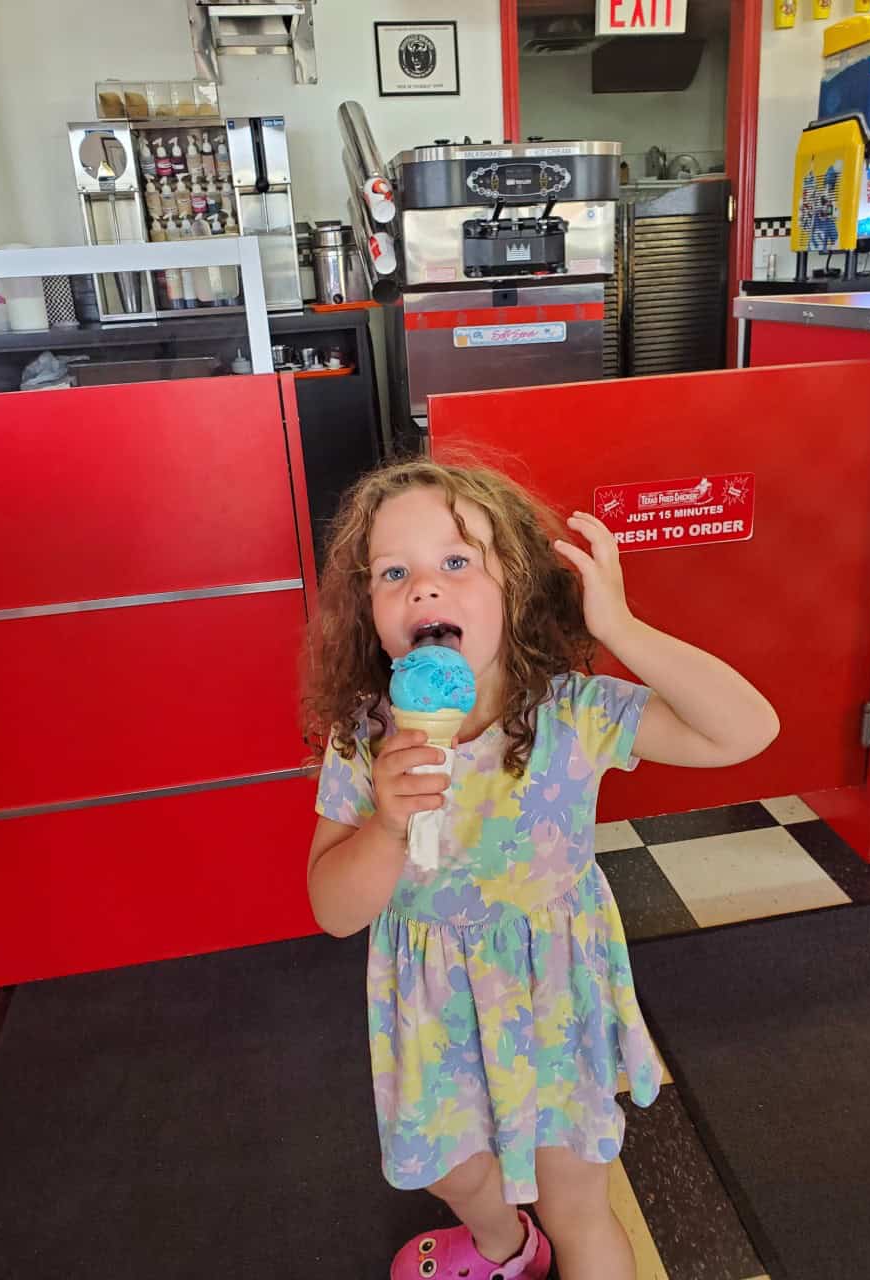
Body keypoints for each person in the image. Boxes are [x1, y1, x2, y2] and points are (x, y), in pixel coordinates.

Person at [307, 457, 779, 1280]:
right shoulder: (364, 740)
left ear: (517, 584)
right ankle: (502, 1244)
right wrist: (385, 825)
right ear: (369, 615)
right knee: (453, 1170)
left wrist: (622, 629)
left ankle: (552, 1235)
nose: (425, 588)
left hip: (557, 998)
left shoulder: (573, 710)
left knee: (577, 1203)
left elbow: (746, 731)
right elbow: (333, 910)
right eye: (394, 572)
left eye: (457, 562)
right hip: (434, 1005)